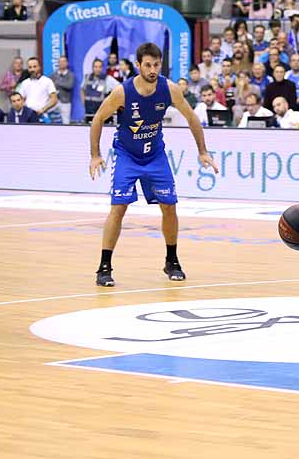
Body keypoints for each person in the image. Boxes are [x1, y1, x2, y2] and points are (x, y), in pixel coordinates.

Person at [87, 43, 219, 288]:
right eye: (147, 65)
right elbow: (97, 120)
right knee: (119, 208)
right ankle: (104, 266)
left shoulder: (169, 89)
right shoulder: (122, 92)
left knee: (169, 207)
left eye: (156, 64)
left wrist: (203, 151)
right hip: (127, 155)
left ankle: (172, 260)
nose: (152, 69)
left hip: (155, 155)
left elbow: (192, 117)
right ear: (138, 65)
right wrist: (95, 155)